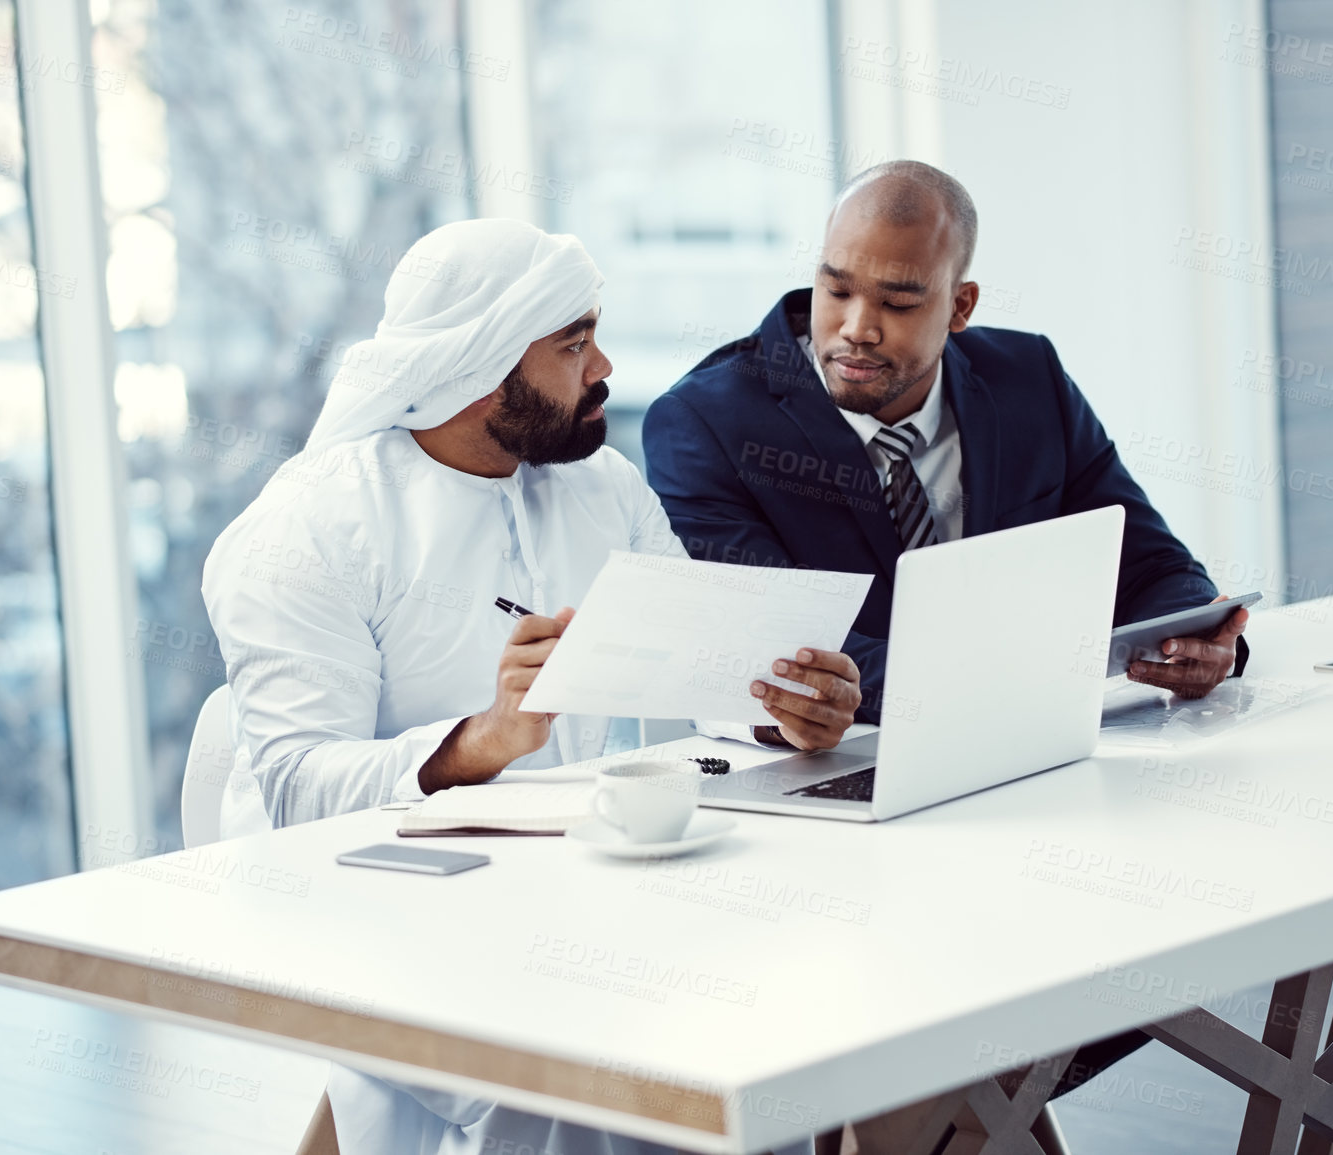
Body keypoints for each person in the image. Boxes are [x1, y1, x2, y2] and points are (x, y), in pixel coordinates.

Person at [202, 218, 858, 1155]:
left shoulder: (605, 490)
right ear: (477, 369)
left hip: (568, 886)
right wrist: (484, 740)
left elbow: (711, 675)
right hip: (367, 905)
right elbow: (298, 788)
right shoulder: (305, 531)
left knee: (766, 1011)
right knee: (600, 1066)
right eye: (572, 344)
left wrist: (792, 712)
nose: (603, 367)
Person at [642, 160, 1249, 720]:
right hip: (851, 761)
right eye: (837, 290)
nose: (857, 329)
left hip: (1037, 743)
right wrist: (1013, 675)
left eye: (898, 302)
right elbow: (773, 646)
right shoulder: (704, 425)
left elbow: (1151, 566)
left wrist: (1193, 639)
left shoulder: (1029, 378)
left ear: (960, 306)